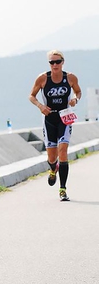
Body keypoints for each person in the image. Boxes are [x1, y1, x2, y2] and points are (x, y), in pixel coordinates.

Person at [29, 49, 82, 201]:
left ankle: (63, 189)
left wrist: (75, 100)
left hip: (64, 118)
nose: (55, 65)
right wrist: (40, 106)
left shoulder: (70, 77)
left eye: (57, 62)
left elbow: (78, 92)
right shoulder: (43, 78)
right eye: (52, 62)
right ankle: (53, 168)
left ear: (62, 62)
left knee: (63, 151)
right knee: (52, 157)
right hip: (49, 119)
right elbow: (31, 96)